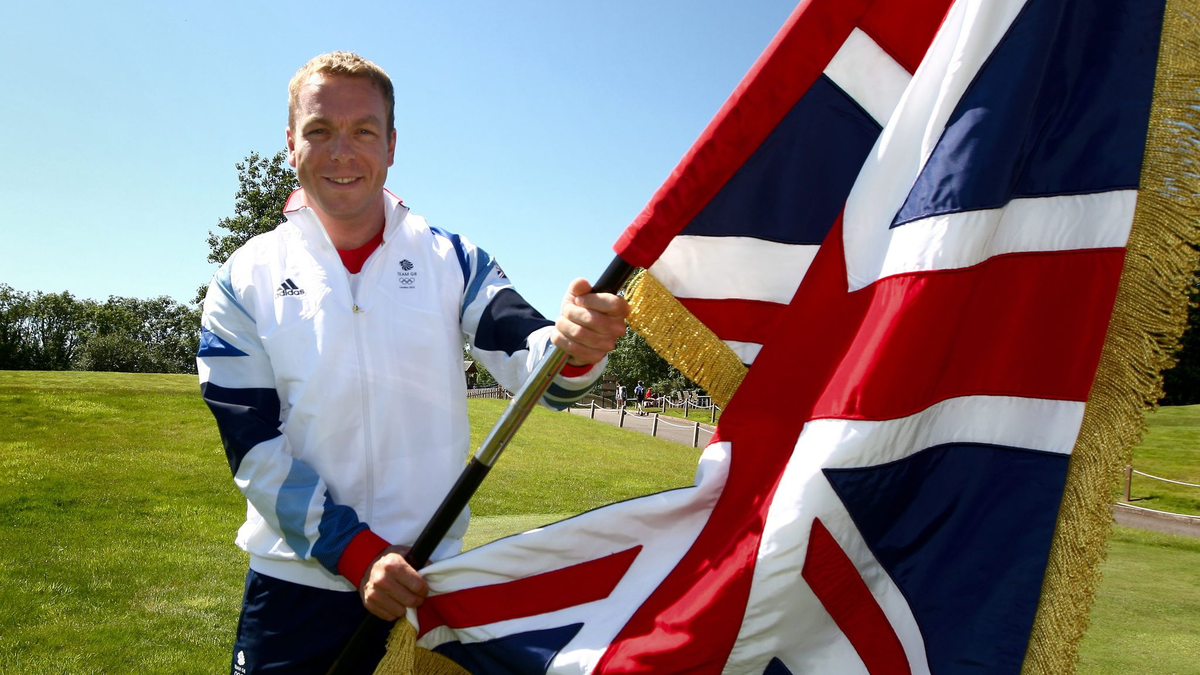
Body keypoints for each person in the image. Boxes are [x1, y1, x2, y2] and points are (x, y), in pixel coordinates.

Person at [197, 52, 629, 675]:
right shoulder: (243, 277)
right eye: (319, 131)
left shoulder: (452, 258)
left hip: (428, 585)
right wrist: (356, 553)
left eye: (364, 131)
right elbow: (254, 447)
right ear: (291, 144)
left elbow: (540, 365)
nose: (343, 151)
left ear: (392, 144)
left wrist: (577, 345)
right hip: (293, 591)